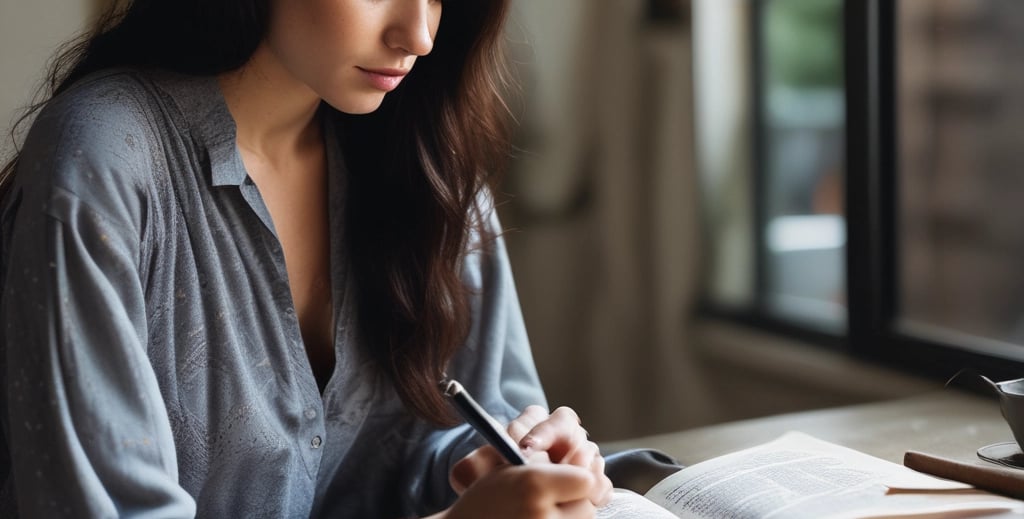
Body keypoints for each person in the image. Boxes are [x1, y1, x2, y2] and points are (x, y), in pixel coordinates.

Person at [0, 0, 613, 517]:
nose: (420, 36)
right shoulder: (105, 159)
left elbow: (439, 438)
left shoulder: (429, 163)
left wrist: (512, 460)